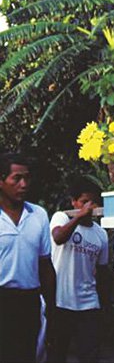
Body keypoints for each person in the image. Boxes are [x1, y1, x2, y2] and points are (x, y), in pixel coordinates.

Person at [0, 152, 56, 363]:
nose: (23, 184)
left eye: (27, 178)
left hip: (29, 301)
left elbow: (45, 265)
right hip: (2, 299)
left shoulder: (38, 215)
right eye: (16, 178)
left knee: (26, 355)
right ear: (1, 181)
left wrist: (52, 308)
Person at [49, 177, 109, 363]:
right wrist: (78, 217)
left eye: (93, 203)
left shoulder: (101, 233)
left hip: (89, 304)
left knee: (90, 355)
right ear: (74, 202)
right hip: (60, 302)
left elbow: (103, 271)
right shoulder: (62, 218)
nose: (89, 208)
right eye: (84, 202)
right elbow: (58, 237)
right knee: (57, 354)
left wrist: (104, 305)